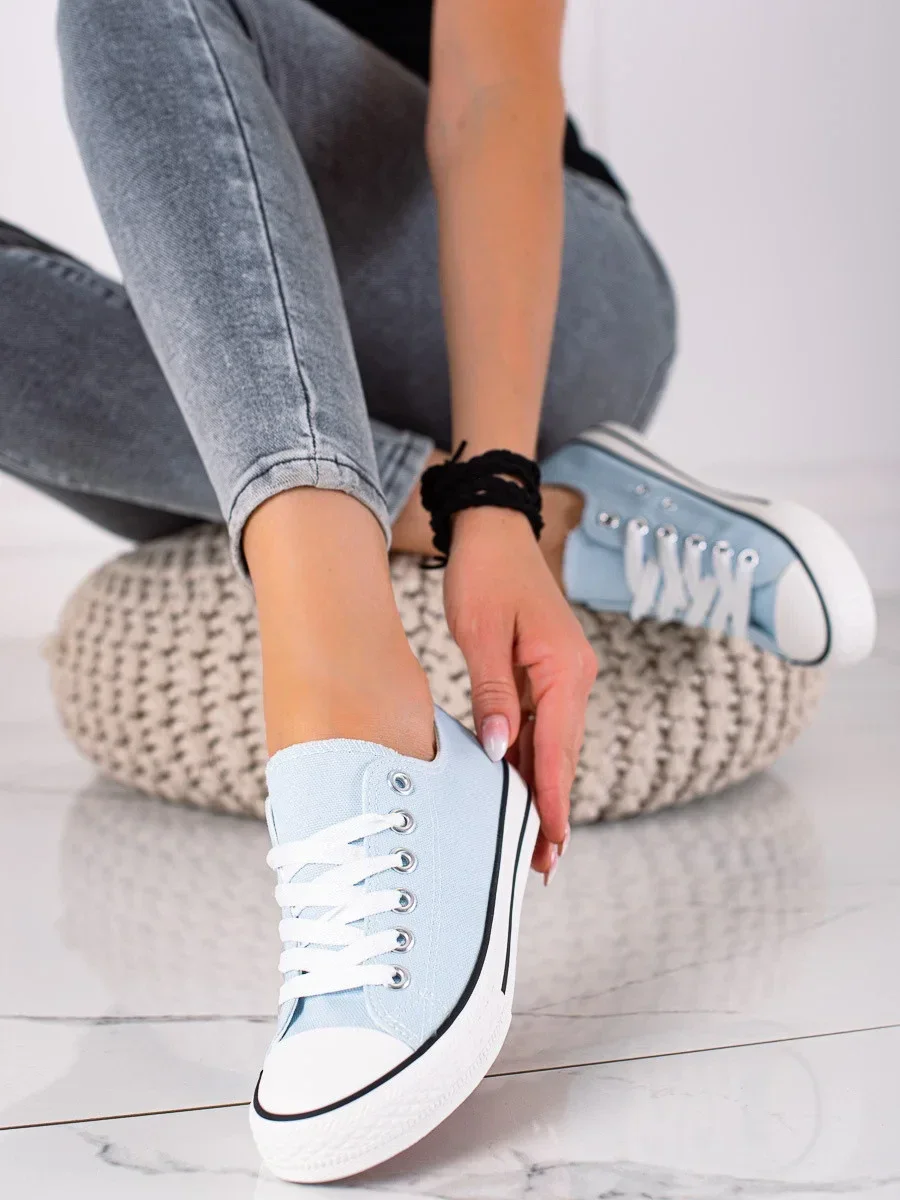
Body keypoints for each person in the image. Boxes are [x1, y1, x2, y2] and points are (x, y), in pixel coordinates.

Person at [0, 0, 874, 1180]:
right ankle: (548, 525)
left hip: (538, 307)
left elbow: (494, 91)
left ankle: (352, 705)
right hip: (254, 318)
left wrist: (497, 477)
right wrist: (491, 516)